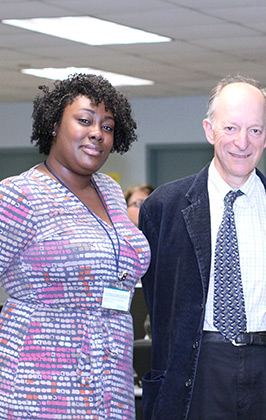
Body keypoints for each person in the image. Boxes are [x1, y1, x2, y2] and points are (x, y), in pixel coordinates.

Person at [138, 75, 266, 420]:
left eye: (254, 130)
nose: (242, 142)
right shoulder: (164, 207)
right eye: (230, 128)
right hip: (197, 369)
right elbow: (159, 300)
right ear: (209, 130)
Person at [0, 73, 150, 419]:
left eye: (108, 126)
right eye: (84, 120)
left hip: (111, 375)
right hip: (41, 382)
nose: (97, 133)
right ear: (54, 125)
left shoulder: (111, 193)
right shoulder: (20, 196)